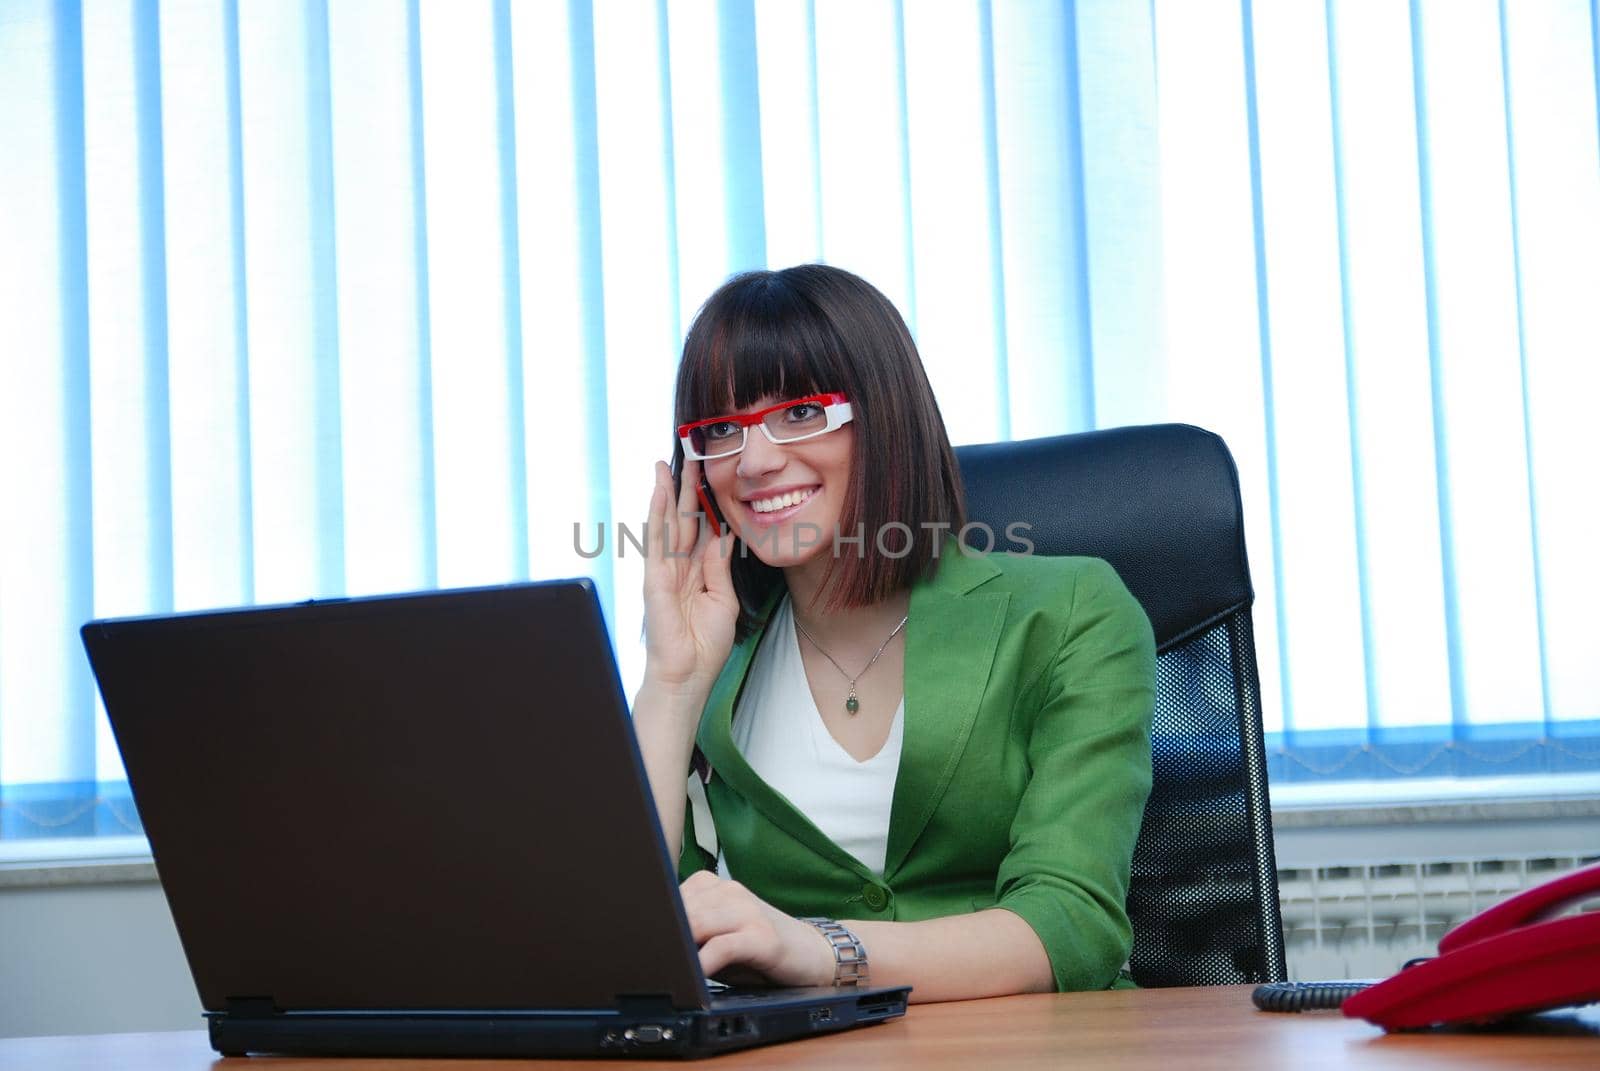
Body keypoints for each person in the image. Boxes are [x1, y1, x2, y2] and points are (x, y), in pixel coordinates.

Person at [632, 264, 1155, 1003]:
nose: (753, 461)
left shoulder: (1070, 611)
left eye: (801, 413)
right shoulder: (716, 655)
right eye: (721, 430)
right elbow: (634, 932)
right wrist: (672, 681)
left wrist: (822, 948)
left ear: (883, 417)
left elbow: (1071, 919)